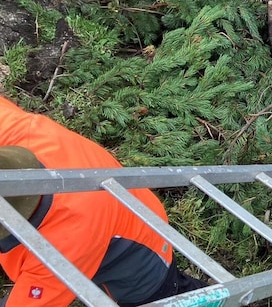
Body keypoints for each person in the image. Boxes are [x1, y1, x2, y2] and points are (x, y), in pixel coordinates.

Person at [0, 95, 207, 306]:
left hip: (139, 247)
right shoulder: (18, 130)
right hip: (113, 206)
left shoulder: (61, 248)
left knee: (162, 297)